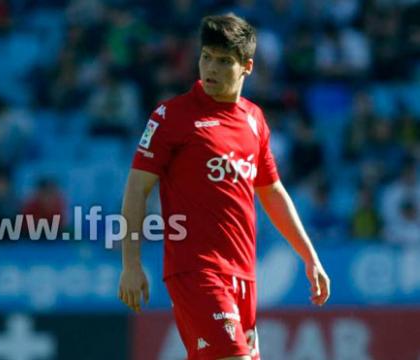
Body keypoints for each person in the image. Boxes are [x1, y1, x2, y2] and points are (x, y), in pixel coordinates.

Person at [118, 14, 330, 360]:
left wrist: (310, 256)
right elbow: (136, 189)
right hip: (196, 270)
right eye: (206, 57)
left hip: (243, 275)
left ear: (246, 66)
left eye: (223, 61)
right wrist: (131, 264)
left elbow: (272, 192)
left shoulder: (254, 120)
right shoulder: (171, 116)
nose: (210, 68)